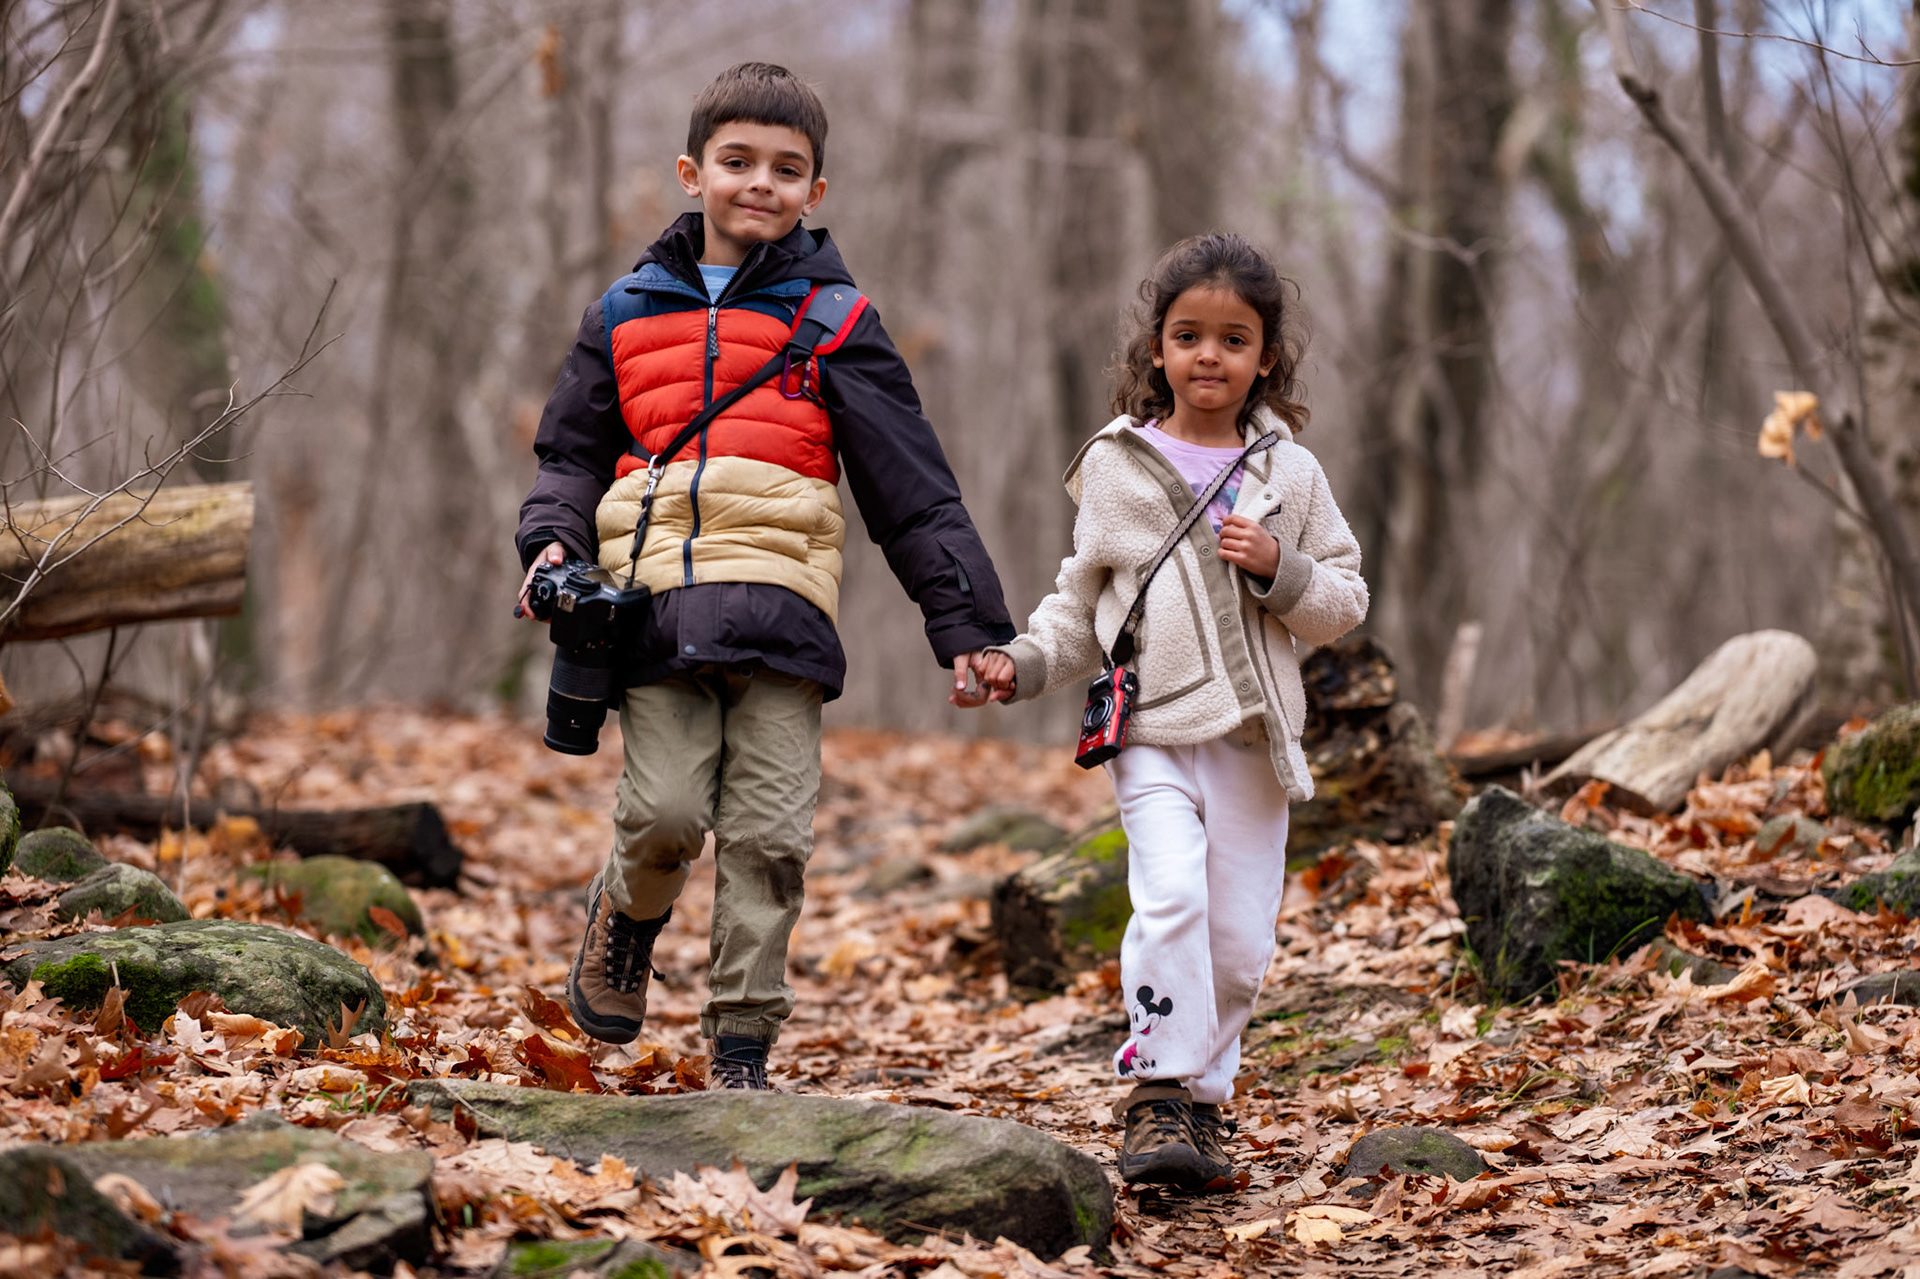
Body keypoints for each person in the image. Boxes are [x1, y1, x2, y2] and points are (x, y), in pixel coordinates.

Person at [515, 62, 1014, 1089]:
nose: (762, 184)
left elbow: (912, 490)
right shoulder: (623, 312)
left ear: (816, 193)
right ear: (693, 171)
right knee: (663, 817)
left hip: (785, 616)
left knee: (770, 837)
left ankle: (742, 1047)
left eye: (788, 170)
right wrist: (553, 546)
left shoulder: (836, 321)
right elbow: (567, 456)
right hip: (652, 615)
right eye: (738, 161)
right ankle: (625, 914)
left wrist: (966, 624)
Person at [968, 233, 1368, 1189]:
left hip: (1252, 741)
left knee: (1238, 943)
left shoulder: (1292, 475)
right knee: (1172, 897)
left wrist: (1281, 569)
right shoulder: (1116, 466)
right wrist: (1018, 664)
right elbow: (1079, 603)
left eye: (1234, 339)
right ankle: (1155, 1093)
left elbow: (1344, 604)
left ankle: (1204, 1104)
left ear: (1266, 355)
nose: (1209, 356)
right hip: (1147, 732)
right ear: (1157, 349)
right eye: (1188, 335)